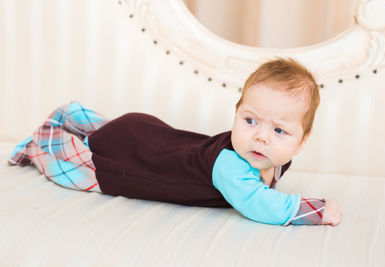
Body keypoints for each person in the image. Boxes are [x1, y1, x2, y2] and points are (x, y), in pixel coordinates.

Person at [8, 57, 342, 226]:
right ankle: (42, 141)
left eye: (279, 131)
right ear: (236, 112)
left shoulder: (270, 156)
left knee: (106, 134)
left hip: (142, 131)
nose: (260, 135)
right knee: (77, 165)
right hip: (128, 160)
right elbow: (260, 205)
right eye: (250, 120)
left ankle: (76, 118)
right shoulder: (232, 165)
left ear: (301, 141)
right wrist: (316, 210)